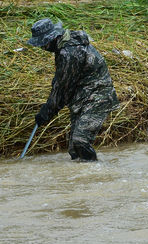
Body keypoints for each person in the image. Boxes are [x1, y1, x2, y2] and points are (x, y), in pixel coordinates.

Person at [27, 19, 118, 161]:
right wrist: (47, 108)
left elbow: (63, 89)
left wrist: (48, 111)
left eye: (43, 44)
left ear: (52, 38)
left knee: (80, 141)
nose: (42, 48)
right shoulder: (63, 45)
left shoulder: (69, 52)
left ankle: (96, 175)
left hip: (98, 96)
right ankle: (81, 177)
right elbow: (59, 83)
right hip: (83, 96)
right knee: (74, 149)